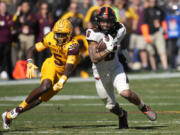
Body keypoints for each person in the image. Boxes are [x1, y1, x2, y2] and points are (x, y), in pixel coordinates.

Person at [86, 6, 157, 129]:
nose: (105, 24)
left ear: (113, 21)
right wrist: (108, 50)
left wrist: (124, 51)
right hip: (100, 73)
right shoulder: (93, 33)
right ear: (98, 20)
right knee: (110, 106)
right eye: (102, 21)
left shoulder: (120, 28)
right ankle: (122, 115)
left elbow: (121, 38)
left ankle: (143, 107)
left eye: (108, 21)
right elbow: (93, 58)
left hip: (115, 68)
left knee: (125, 93)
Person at [2, 19, 80, 130]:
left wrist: (62, 80)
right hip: (51, 64)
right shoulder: (50, 37)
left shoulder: (73, 46)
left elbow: (69, 66)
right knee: (45, 86)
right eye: (58, 34)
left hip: (63, 73)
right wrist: (29, 63)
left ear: (69, 34)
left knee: (40, 99)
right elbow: (31, 49)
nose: (60, 37)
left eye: (63, 34)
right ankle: (18, 110)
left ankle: (9, 115)